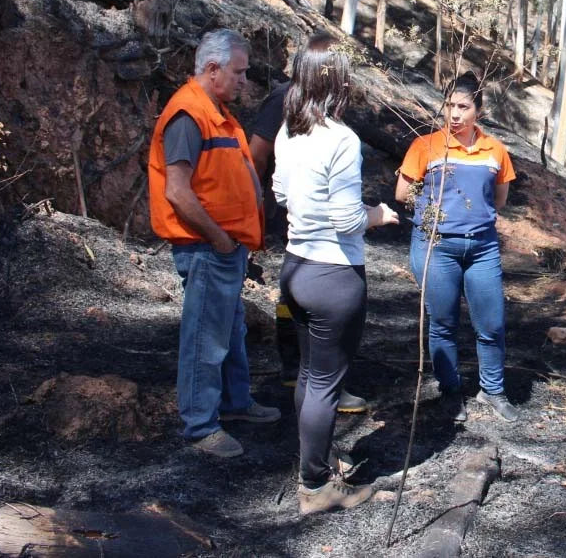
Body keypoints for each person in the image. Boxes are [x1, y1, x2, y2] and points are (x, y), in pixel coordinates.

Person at [273, 46, 400, 514]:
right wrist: (380, 214)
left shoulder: (290, 131)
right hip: (333, 275)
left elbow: (282, 193)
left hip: (296, 268)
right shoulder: (343, 140)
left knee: (309, 374)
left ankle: (317, 465)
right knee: (325, 380)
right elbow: (349, 220)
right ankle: (315, 487)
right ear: (339, 84)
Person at [147, 29, 281, 459]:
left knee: (231, 329)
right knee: (206, 336)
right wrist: (221, 240)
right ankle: (201, 425)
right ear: (212, 69)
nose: (245, 81)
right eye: (239, 73)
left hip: (225, 248)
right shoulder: (188, 114)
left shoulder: (216, 111)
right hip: (208, 248)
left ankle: (234, 403)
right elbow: (178, 192)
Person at [248, 32, 368, 416]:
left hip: (301, 232)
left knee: (300, 307)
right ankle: (298, 373)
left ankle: (312, 383)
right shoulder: (286, 105)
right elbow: (256, 156)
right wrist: (258, 211)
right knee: (298, 311)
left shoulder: (315, 117)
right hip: (299, 233)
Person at [394, 72, 520, 423]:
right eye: (450, 105)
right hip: (436, 247)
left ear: (478, 111)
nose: (455, 114)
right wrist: (434, 212)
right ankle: (450, 392)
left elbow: (499, 199)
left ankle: (492, 390)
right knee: (443, 322)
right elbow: (402, 194)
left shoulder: (495, 150)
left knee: (491, 324)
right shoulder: (426, 146)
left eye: (463, 107)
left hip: (481, 248)